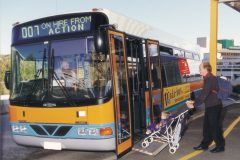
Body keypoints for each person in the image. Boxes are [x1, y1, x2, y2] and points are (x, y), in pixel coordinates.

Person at [186, 62, 225, 153]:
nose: (199, 70)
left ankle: (220, 146)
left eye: (200, 68)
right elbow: (206, 94)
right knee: (207, 127)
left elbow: (204, 94)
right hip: (211, 106)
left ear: (205, 69)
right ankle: (204, 145)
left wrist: (194, 105)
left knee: (214, 127)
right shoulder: (208, 78)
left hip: (214, 107)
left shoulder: (210, 79)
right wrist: (194, 101)